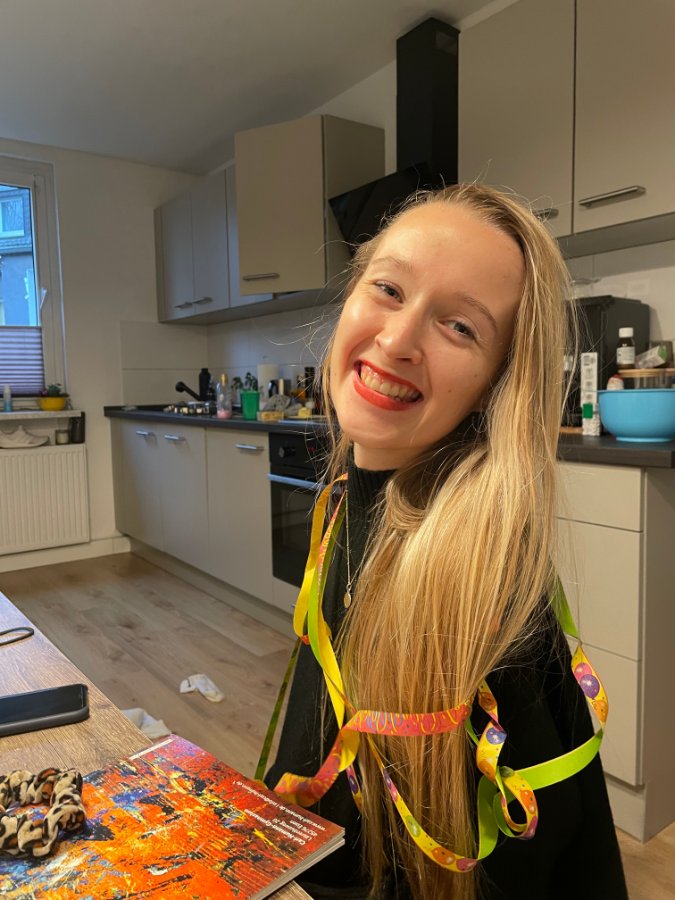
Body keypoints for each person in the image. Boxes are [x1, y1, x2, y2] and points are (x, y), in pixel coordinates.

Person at [263, 184, 628, 900]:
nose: (397, 341)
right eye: (388, 289)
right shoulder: (344, 510)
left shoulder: (475, 602)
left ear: (496, 384)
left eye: (459, 327)